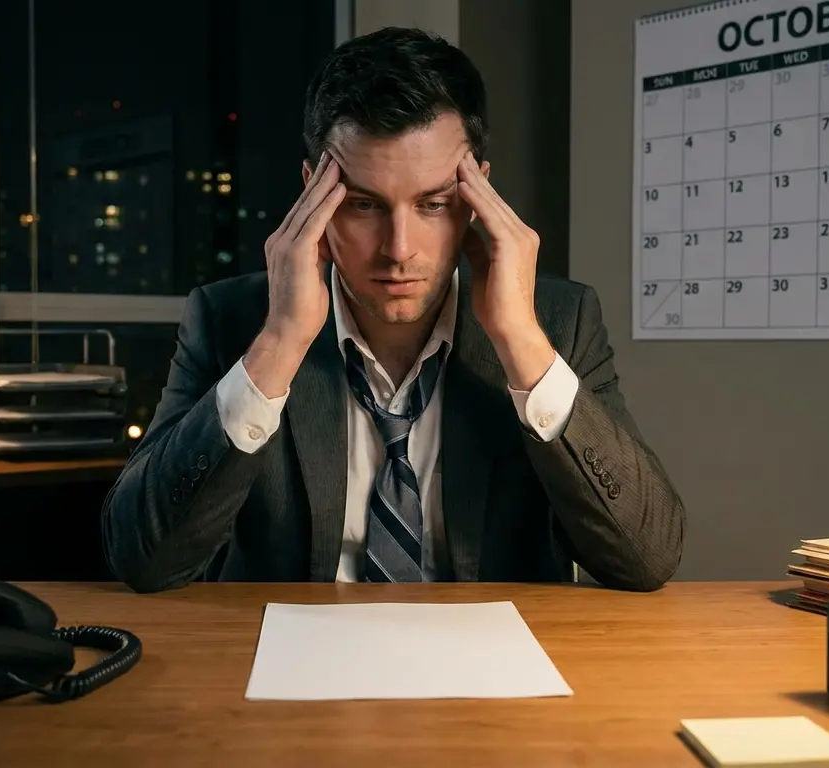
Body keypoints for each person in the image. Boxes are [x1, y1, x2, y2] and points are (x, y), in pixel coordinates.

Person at [101, 26, 685, 592]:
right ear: (312, 197)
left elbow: (645, 559)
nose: (398, 249)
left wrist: (521, 343)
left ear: (478, 196)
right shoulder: (231, 318)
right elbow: (143, 559)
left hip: (494, 668)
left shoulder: (559, 320)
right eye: (362, 204)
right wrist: (278, 345)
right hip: (289, 665)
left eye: (433, 203)